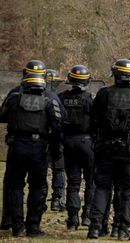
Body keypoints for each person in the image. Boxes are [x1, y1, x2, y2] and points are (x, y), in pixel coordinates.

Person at [87, 59, 130, 240]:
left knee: (102, 187)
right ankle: (122, 229)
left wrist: (96, 140)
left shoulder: (103, 94)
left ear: (115, 74)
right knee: (127, 190)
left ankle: (95, 227)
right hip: (128, 152)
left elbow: (92, 120)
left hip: (105, 150)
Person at [0, 71, 63, 237]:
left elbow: (2, 115)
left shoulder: (14, 98)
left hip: (17, 147)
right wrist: (56, 153)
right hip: (39, 150)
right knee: (38, 187)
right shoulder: (49, 102)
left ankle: (17, 227)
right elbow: (57, 129)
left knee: (15, 187)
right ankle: (33, 227)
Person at [58, 65, 95, 230]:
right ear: (87, 81)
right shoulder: (90, 99)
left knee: (73, 182)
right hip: (87, 143)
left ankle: (72, 220)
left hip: (68, 143)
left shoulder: (60, 98)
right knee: (91, 181)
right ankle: (87, 216)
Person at [46, 68, 67, 212]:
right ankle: (56, 199)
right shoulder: (56, 97)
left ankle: (40, 202)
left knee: (39, 172)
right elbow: (63, 118)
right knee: (59, 170)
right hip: (55, 138)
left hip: (41, 140)